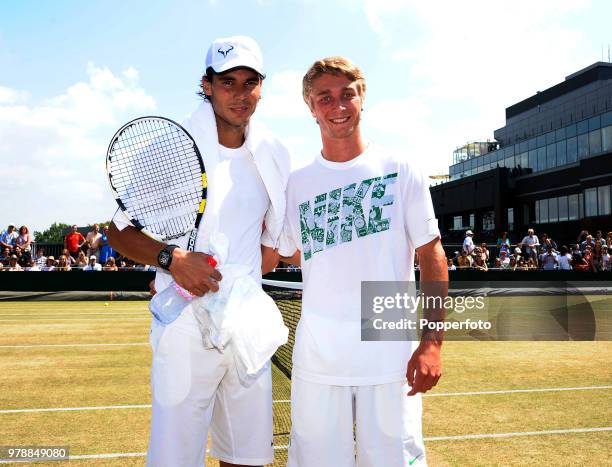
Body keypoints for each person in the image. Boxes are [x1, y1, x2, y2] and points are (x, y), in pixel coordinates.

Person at [108, 36, 289, 467]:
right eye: (228, 82)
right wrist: (174, 261)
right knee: (175, 458)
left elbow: (270, 250)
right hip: (186, 329)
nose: (240, 94)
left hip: (246, 329)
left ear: (262, 87)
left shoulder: (275, 153)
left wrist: (238, 290)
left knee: (247, 458)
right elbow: (117, 233)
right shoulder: (172, 146)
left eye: (250, 82)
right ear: (207, 85)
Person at [277, 56, 447, 467]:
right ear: (310, 106)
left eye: (346, 94)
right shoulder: (296, 183)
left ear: (362, 97)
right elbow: (280, 252)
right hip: (318, 359)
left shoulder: (400, 169)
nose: (337, 105)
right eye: (324, 97)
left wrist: (432, 343)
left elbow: (432, 256)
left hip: (388, 357)